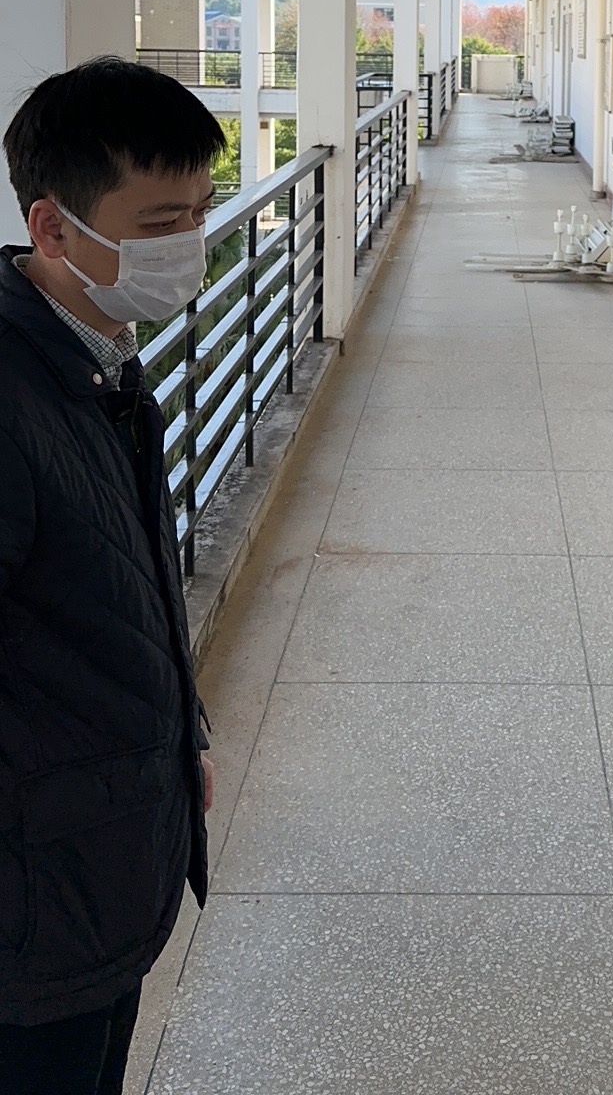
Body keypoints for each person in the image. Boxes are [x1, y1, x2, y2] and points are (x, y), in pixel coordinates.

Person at [0, 57, 225, 1093]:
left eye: (202, 212)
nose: (191, 244)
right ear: (52, 228)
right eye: (162, 223)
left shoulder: (95, 361)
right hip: (34, 909)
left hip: (102, 865)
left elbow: (109, 598)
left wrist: (180, 739)